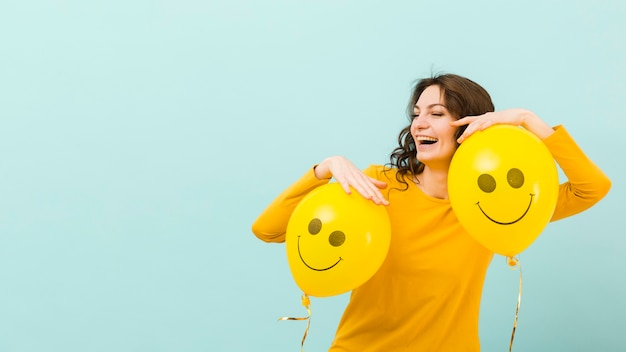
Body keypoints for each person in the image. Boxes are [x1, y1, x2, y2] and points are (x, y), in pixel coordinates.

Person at [251, 73, 611, 351]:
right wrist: (323, 169)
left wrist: (527, 119)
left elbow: (591, 188)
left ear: (470, 124)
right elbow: (267, 229)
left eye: (436, 114)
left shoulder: (493, 208)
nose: (419, 123)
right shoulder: (376, 185)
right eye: (417, 114)